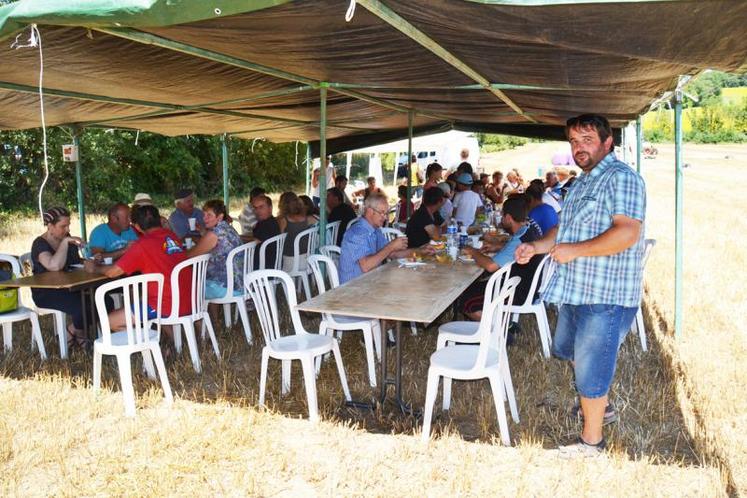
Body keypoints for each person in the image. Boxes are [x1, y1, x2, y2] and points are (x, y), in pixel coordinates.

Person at [515, 114, 646, 458]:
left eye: (587, 139)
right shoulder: (582, 182)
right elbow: (564, 231)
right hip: (574, 289)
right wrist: (537, 246)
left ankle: (592, 443)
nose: (579, 148)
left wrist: (576, 251)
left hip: (605, 293)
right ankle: (601, 405)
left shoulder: (622, 179)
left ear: (607, 142)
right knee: (569, 351)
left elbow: (627, 232)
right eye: (574, 141)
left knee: (591, 366)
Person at [95, 205, 192, 335]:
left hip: (166, 304)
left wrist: (95, 267)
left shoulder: (142, 245)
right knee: (145, 298)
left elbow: (112, 272)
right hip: (190, 298)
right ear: (159, 220)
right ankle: (171, 341)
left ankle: (148, 344)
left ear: (137, 227)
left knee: (108, 321)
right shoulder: (172, 236)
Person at [31, 207, 112, 348]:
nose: (67, 229)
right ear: (50, 226)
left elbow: (74, 263)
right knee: (81, 307)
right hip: (47, 292)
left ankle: (72, 330)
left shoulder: (66, 238)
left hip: (70, 287)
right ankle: (81, 335)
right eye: (63, 226)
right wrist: (65, 243)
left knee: (106, 300)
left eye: (68, 225)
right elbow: (54, 266)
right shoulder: (40, 244)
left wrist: (91, 261)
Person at [461, 196, 543, 321]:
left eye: (503, 215)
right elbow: (514, 248)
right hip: (526, 285)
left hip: (517, 291)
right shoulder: (528, 229)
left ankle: (497, 328)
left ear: (509, 218)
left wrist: (472, 252)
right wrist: (498, 246)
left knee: (466, 301)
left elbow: (490, 266)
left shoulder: (519, 239)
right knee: (471, 287)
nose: (501, 218)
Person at [339, 193, 413, 284]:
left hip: (370, 282)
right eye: (382, 213)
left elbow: (393, 254)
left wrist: (420, 251)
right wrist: (391, 246)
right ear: (370, 211)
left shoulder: (375, 230)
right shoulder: (357, 233)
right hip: (352, 290)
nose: (385, 217)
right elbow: (366, 266)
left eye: (386, 213)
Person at [185, 199, 242, 299]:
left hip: (227, 287)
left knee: (187, 287)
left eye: (209, 215)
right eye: (204, 214)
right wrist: (203, 232)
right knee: (208, 278)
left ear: (220, 217)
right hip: (239, 281)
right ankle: (213, 315)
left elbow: (189, 255)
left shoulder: (214, 234)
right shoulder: (228, 228)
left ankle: (197, 314)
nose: (204, 218)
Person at [278, 194, 312, 272]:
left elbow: (280, 241)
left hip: (290, 260)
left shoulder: (283, 220)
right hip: (307, 257)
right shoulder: (307, 219)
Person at [250, 194, 281, 269]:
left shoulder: (266, 225)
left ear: (270, 208)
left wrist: (239, 237)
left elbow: (256, 240)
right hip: (273, 264)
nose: (258, 211)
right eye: (255, 208)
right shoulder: (271, 221)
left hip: (263, 267)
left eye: (261, 207)